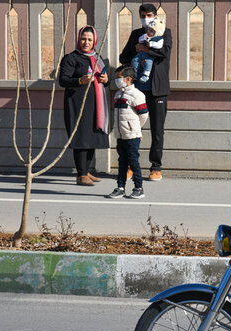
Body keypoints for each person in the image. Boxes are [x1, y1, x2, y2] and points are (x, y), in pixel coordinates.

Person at [120, 4, 172, 182]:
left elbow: (164, 53)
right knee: (131, 129)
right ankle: (130, 166)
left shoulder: (165, 32)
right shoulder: (136, 34)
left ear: (155, 15)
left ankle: (155, 167)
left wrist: (146, 50)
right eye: (143, 15)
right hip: (137, 92)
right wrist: (136, 52)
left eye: (149, 15)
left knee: (157, 130)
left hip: (158, 91)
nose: (146, 18)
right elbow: (123, 57)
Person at [59, 25, 110, 186]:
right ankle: (81, 174)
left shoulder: (97, 57)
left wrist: (105, 80)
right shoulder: (71, 58)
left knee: (91, 136)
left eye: (89, 39)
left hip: (95, 104)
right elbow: (63, 80)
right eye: (83, 39)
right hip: (77, 103)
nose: (86, 42)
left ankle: (87, 170)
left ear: (94, 41)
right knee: (81, 137)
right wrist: (80, 80)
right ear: (78, 39)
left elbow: (102, 81)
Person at [106, 66, 149, 200]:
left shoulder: (137, 95)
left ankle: (138, 187)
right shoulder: (118, 94)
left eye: (119, 78)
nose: (117, 80)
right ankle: (120, 187)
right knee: (122, 162)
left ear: (128, 79)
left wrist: (136, 129)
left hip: (132, 135)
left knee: (133, 161)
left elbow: (144, 115)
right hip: (120, 135)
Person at [131, 17, 165, 85]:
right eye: (149, 30)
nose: (149, 32)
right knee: (135, 60)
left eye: (152, 31)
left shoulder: (159, 38)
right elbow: (139, 40)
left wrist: (151, 44)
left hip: (149, 56)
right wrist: (143, 38)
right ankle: (134, 72)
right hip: (141, 54)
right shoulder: (146, 35)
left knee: (148, 63)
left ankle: (146, 75)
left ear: (157, 32)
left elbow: (159, 45)